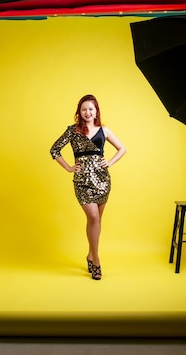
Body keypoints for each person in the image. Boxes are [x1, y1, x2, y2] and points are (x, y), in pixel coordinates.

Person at [50, 94, 126, 280]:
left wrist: (109, 163)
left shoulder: (104, 130)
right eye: (84, 109)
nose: (87, 112)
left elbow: (122, 148)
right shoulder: (73, 131)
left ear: (96, 111)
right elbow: (54, 149)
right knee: (92, 217)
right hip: (82, 180)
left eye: (91, 109)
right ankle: (97, 260)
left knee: (96, 220)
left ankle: (90, 255)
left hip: (102, 180)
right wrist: (69, 167)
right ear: (79, 112)